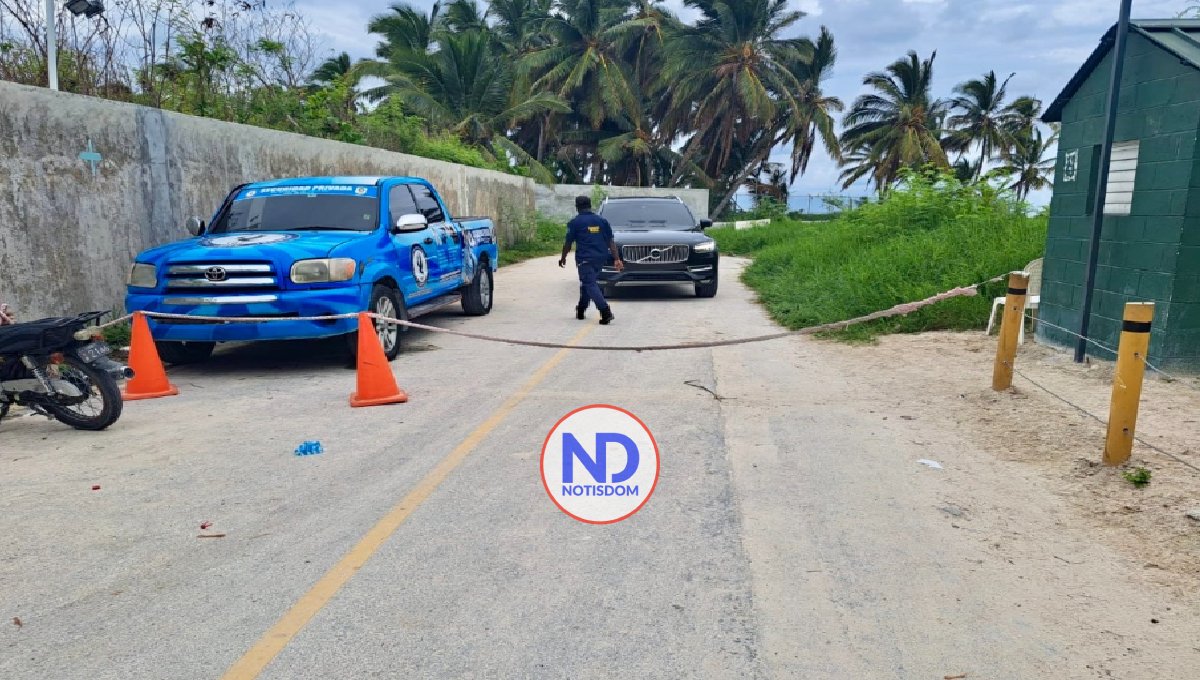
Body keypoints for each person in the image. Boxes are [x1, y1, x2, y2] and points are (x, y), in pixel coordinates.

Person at [559, 195, 623, 324]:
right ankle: (581, 309)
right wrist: (616, 258)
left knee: (589, 284)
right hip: (600, 258)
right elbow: (610, 241)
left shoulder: (574, 222)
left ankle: (605, 312)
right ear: (589, 205)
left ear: (577, 207)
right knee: (588, 283)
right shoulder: (602, 221)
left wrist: (563, 258)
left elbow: (568, 243)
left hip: (585, 259)